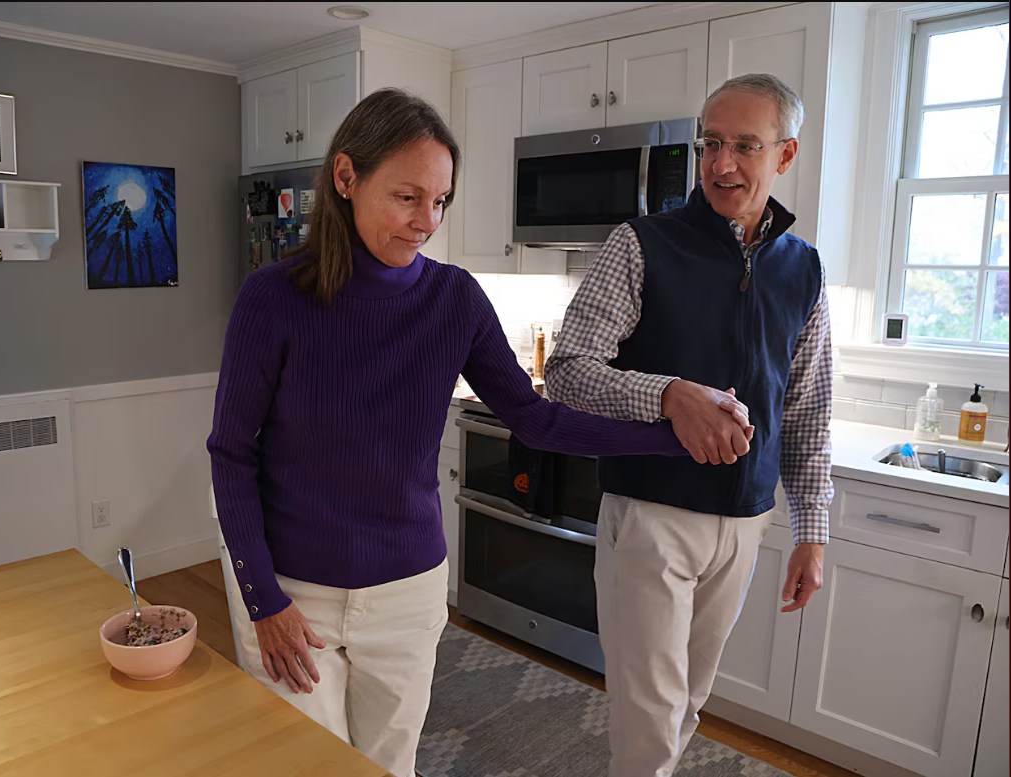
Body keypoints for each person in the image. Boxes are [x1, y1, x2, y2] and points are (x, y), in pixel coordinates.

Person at [207, 87, 751, 777]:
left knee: (389, 765)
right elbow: (231, 455)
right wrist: (262, 599)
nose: (426, 222)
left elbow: (535, 417)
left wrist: (673, 432)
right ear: (346, 177)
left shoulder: (454, 298)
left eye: (440, 201)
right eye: (407, 197)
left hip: (406, 593)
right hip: (291, 590)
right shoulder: (272, 297)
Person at [545, 73, 833, 777]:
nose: (721, 163)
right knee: (649, 717)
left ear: (786, 154)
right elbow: (568, 370)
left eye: (745, 146)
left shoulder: (804, 268)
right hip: (653, 514)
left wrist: (812, 530)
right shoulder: (641, 244)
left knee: (688, 704)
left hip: (745, 522)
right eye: (710, 143)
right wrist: (669, 394)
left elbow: (806, 409)